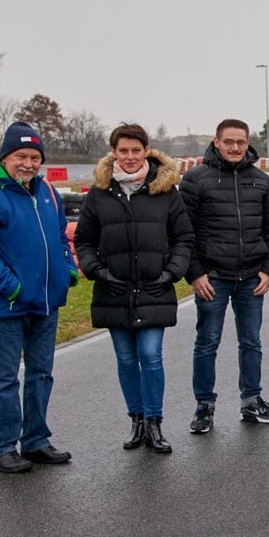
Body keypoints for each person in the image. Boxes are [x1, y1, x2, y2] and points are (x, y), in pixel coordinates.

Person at [0, 122, 79, 473]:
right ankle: (1, 447)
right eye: (20, 156)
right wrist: (11, 286)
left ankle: (36, 440)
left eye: (34, 157)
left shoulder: (48, 193)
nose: (27, 163)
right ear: (5, 157)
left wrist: (66, 269)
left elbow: (60, 236)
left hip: (46, 302)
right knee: (5, 379)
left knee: (41, 374)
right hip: (8, 305)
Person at [73, 123, 194, 454]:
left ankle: (155, 422)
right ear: (114, 152)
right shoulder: (99, 193)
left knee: (150, 355)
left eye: (135, 150)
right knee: (126, 358)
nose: (129, 156)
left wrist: (171, 272)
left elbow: (184, 237)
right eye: (122, 150)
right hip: (114, 289)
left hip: (155, 288)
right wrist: (96, 270)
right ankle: (136, 419)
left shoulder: (166, 191)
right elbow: (83, 239)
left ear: (146, 151)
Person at [181, 119, 269, 432]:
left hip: (252, 276)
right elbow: (184, 232)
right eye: (229, 142)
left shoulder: (260, 179)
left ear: (248, 142)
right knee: (207, 342)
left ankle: (251, 401)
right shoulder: (195, 179)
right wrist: (195, 273)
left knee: (251, 342)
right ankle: (204, 407)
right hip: (213, 278)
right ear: (216, 142)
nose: (235, 147)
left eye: (241, 142)